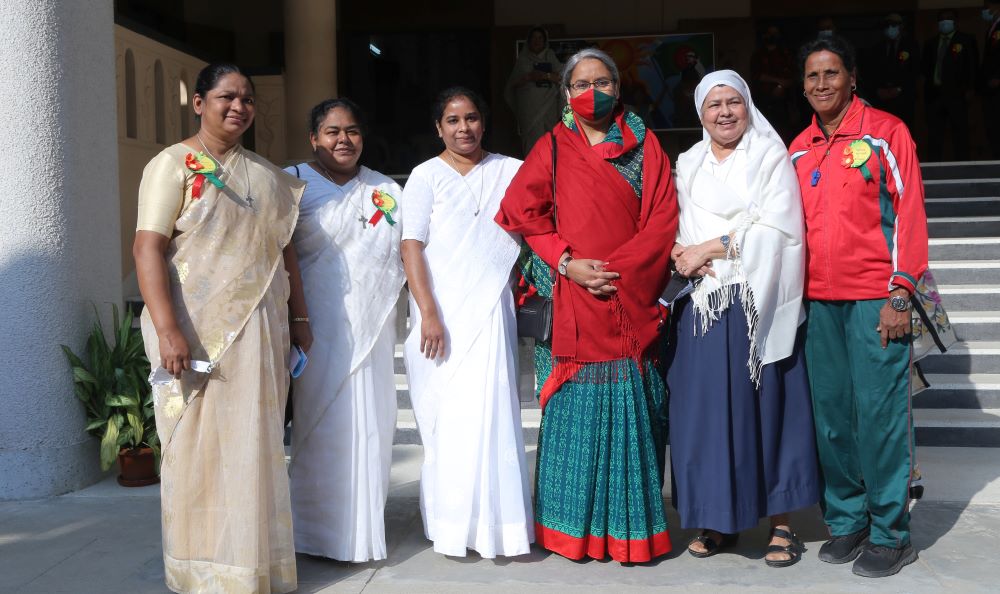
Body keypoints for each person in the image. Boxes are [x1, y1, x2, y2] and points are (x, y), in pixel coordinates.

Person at [497, 48, 679, 563]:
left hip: (628, 300)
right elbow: (521, 211)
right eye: (580, 83)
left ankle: (628, 535)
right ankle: (567, 532)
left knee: (630, 415)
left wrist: (616, 276)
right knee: (574, 414)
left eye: (601, 82)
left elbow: (662, 219)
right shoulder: (552, 147)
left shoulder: (645, 148)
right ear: (565, 92)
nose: (591, 92)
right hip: (572, 297)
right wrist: (567, 263)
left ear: (618, 89)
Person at [133, 63, 306, 594]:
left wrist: (299, 319)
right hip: (195, 333)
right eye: (227, 97)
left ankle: (252, 566)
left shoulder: (267, 175)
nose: (239, 107)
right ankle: (202, 569)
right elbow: (147, 248)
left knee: (253, 448)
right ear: (199, 103)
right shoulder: (172, 165)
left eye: (248, 99)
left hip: (260, 332)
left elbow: (285, 253)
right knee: (199, 450)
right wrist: (168, 332)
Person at [666, 70, 820, 568]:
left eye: (734, 101)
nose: (725, 112)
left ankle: (781, 524)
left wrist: (708, 247)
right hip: (705, 304)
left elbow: (779, 227)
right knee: (708, 416)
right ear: (700, 113)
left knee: (768, 409)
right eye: (714, 105)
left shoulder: (769, 157)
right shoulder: (687, 163)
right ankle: (718, 518)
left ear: (748, 104)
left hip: (760, 301)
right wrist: (677, 252)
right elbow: (672, 226)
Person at [790, 36, 928, 578]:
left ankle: (892, 531)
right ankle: (847, 520)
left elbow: (910, 214)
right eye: (812, 76)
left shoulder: (886, 132)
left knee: (880, 416)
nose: (821, 84)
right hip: (819, 303)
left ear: (851, 78)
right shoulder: (798, 148)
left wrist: (900, 292)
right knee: (831, 420)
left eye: (831, 73)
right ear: (802, 86)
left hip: (877, 299)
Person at [400, 86, 533, 558]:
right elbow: (410, 245)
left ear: (484, 122)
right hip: (440, 315)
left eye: (471, 118)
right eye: (453, 120)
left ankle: (501, 527)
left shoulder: (511, 171)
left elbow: (539, 220)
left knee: (492, 414)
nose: (464, 128)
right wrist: (430, 314)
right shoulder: (424, 176)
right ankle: (451, 525)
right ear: (439, 127)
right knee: (446, 419)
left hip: (491, 311)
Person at [285, 98, 405, 562]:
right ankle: (311, 533)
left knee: (372, 425)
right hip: (315, 329)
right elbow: (277, 254)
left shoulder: (385, 189)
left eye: (352, 131)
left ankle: (361, 533)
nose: (343, 140)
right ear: (313, 138)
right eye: (332, 132)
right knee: (321, 428)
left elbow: (407, 254)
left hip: (373, 331)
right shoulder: (291, 182)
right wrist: (295, 321)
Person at [921, 9, 978, 161]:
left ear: (955, 22)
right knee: (934, 134)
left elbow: (972, 66)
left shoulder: (966, 40)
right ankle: (933, 167)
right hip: (934, 94)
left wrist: (971, 88)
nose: (945, 22)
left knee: (960, 132)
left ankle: (963, 165)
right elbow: (925, 69)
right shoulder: (930, 43)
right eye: (942, 19)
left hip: (957, 94)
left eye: (949, 19)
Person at [505, 27, 564, 155]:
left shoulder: (550, 56)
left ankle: (550, 171)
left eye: (540, 38)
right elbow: (513, 85)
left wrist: (545, 76)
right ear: (529, 41)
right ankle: (533, 170)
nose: (537, 41)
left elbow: (561, 78)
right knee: (532, 143)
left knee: (550, 142)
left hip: (549, 108)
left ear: (544, 40)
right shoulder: (523, 59)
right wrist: (529, 77)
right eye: (534, 38)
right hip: (529, 110)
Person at [863, 13, 919, 130]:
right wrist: (877, 90)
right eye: (887, 25)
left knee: (904, 131)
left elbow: (915, 71)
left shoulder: (911, 46)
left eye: (894, 25)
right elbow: (870, 72)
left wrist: (899, 89)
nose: (890, 28)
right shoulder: (876, 49)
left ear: (901, 26)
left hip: (903, 98)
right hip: (882, 99)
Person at [750, 25, 796, 142]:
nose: (772, 36)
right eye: (769, 33)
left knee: (784, 135)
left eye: (775, 33)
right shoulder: (758, 55)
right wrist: (779, 82)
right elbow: (758, 76)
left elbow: (791, 77)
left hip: (783, 104)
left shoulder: (785, 54)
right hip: (762, 102)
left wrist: (781, 86)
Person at [980, 0, 1000, 158]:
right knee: (992, 127)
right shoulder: (991, 28)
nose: (985, 11)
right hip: (990, 88)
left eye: (988, 7)